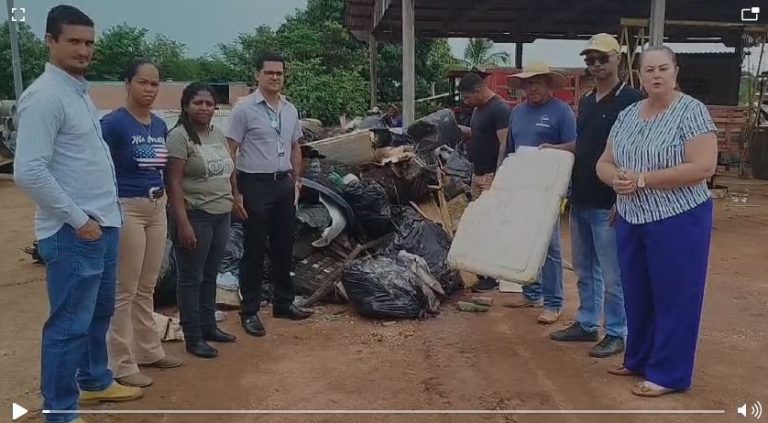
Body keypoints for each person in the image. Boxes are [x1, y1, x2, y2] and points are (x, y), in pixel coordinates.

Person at [13, 5, 143, 422]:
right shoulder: (45, 97)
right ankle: (60, 412)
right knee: (69, 325)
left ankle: (95, 380)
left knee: (99, 313)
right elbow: (28, 170)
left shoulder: (78, 93)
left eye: (88, 42)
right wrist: (78, 219)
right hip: (74, 231)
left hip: (101, 225)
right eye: (73, 41)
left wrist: (101, 220)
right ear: (50, 41)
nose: (83, 50)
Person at [596, 46, 718, 397]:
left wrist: (643, 180)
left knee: (675, 295)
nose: (657, 75)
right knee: (637, 292)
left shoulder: (692, 112)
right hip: (633, 217)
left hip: (678, 217)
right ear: (640, 75)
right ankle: (638, 358)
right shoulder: (629, 114)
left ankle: (668, 373)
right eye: (649, 70)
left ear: (676, 71)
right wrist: (616, 179)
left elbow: (703, 167)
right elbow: (604, 162)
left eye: (663, 68)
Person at [544, 34, 643, 358]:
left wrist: (623, 198)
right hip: (581, 198)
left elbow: (637, 151)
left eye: (602, 58)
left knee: (613, 274)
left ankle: (616, 332)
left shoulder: (632, 100)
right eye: (590, 60)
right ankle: (587, 323)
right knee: (585, 269)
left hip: (609, 202)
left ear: (618, 59)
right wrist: (555, 149)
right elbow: (583, 144)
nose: (596, 65)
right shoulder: (586, 100)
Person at [101, 59, 183, 387]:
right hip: (128, 207)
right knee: (125, 288)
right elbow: (99, 168)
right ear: (127, 84)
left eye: (154, 84)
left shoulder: (159, 125)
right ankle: (121, 363)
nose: (149, 89)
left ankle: (149, 350)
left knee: (147, 285)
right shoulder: (113, 124)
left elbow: (162, 169)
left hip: (156, 206)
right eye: (143, 83)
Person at [227, 52, 312, 338]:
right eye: (269, 72)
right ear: (257, 75)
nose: (275, 77)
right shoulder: (244, 109)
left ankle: (283, 303)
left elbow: (295, 146)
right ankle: (250, 311)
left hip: (282, 184)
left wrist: (296, 181)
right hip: (254, 184)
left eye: (279, 73)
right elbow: (230, 150)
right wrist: (235, 193)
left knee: (283, 247)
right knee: (253, 250)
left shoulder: (290, 109)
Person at [166, 82, 238, 359]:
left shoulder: (216, 134)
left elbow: (230, 169)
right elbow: (173, 183)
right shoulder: (179, 137)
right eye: (198, 103)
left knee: (210, 274)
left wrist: (236, 197)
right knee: (190, 278)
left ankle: (209, 327)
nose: (204, 108)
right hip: (195, 215)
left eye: (209, 104)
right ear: (186, 106)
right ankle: (193, 336)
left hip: (221, 214)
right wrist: (182, 222)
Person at [502, 62, 577, 325]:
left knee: (550, 245)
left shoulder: (562, 112)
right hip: (522, 187)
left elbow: (576, 145)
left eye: (537, 83)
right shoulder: (517, 112)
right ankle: (531, 293)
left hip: (549, 188)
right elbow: (509, 149)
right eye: (528, 83)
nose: (531, 88)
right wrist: (502, 179)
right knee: (525, 241)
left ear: (548, 85)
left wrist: (552, 149)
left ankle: (553, 302)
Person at [456, 72, 512, 292]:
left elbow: (504, 143)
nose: (466, 102)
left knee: (490, 226)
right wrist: (458, 130)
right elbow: (478, 133)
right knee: (478, 224)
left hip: (490, 175)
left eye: (467, 97)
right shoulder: (478, 109)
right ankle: (483, 271)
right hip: (477, 174)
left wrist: (497, 175)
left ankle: (492, 275)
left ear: (478, 90)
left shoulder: (499, 109)